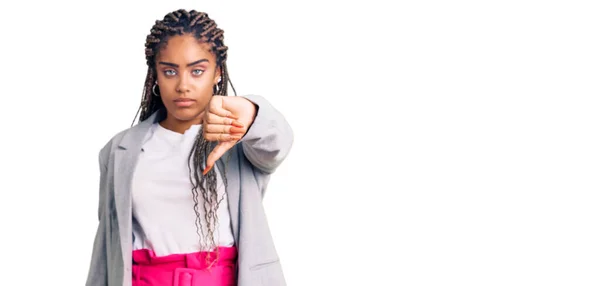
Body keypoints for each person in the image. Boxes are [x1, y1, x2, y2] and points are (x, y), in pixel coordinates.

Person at [85, 9, 293, 286]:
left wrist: (251, 112)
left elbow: (277, 143)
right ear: (155, 76)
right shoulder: (119, 150)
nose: (183, 85)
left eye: (197, 71)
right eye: (170, 71)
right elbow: (106, 247)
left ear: (217, 72)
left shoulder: (239, 138)